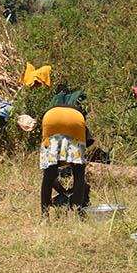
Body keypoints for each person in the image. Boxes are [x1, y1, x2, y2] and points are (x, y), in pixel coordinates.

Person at [40, 85, 93, 215]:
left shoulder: (53, 104)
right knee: (78, 172)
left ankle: (44, 216)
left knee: (48, 174)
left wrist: (62, 191)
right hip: (75, 118)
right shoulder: (76, 105)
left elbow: (51, 179)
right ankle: (78, 212)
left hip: (50, 118)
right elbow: (87, 139)